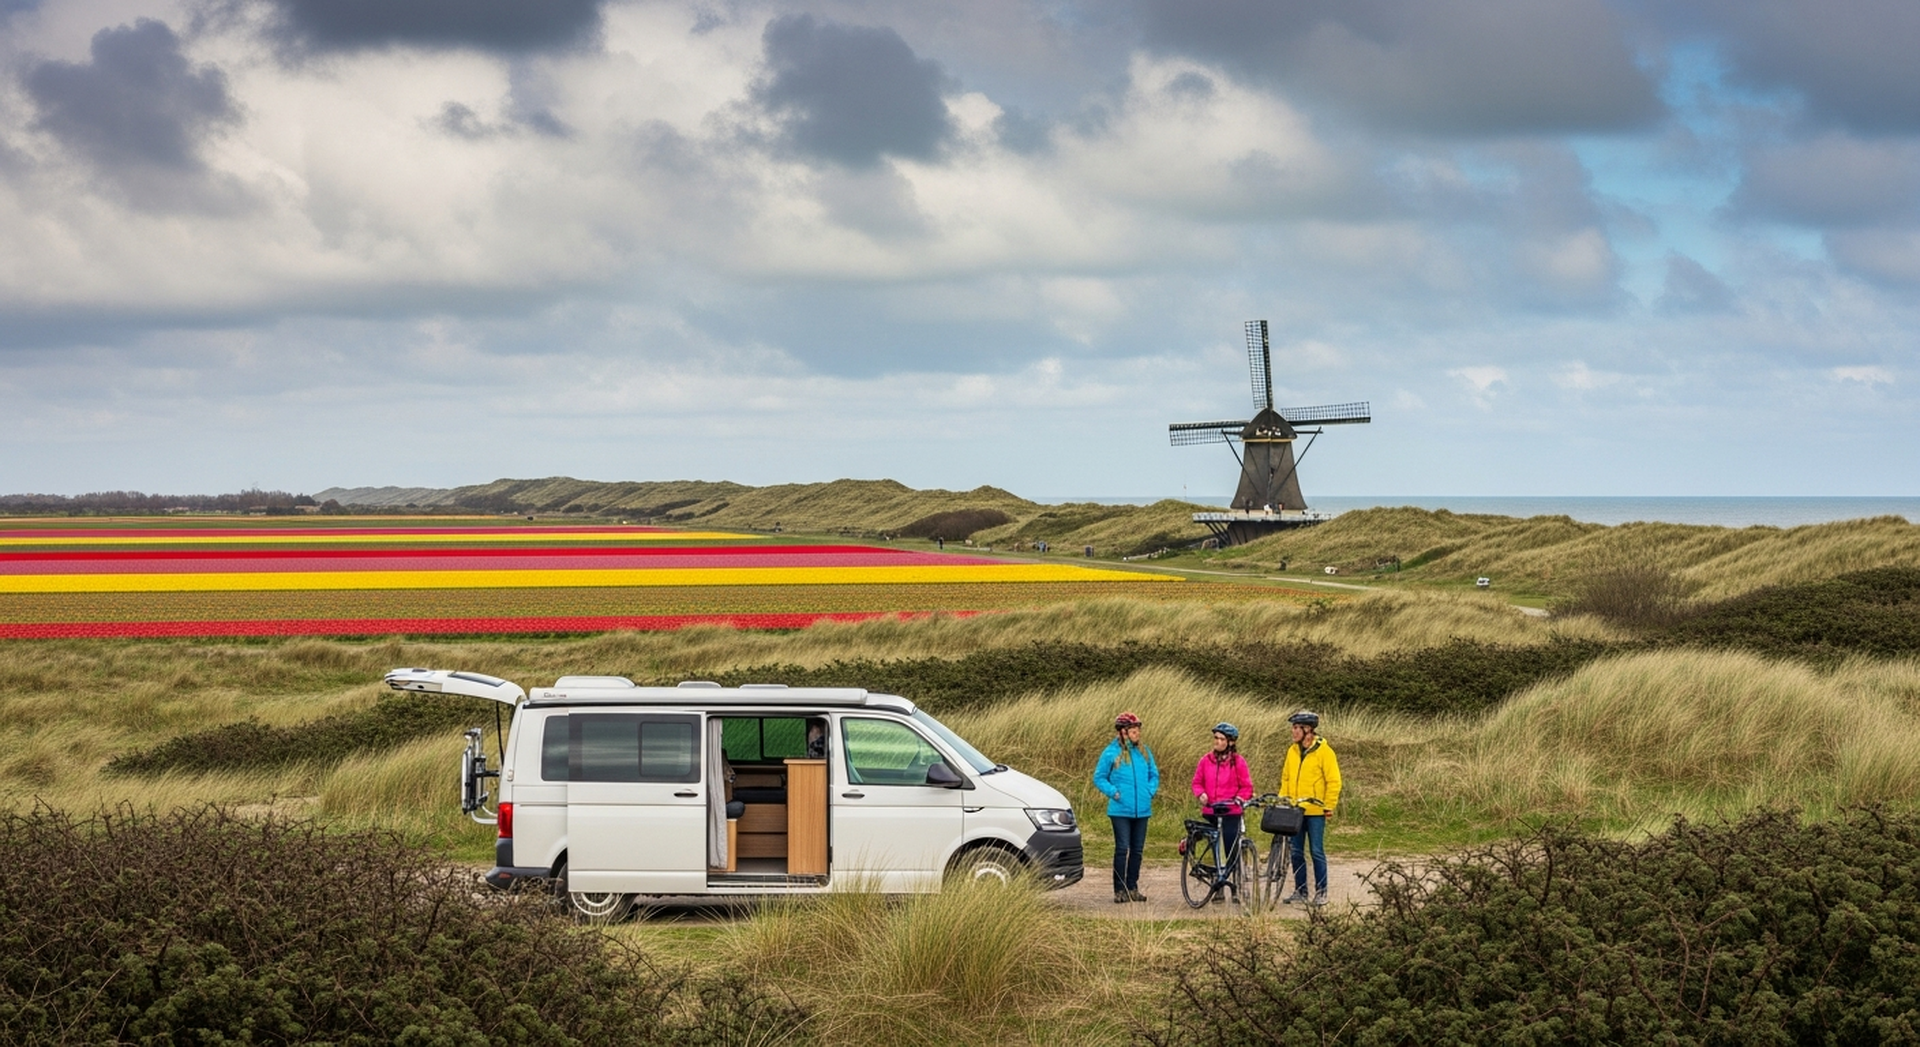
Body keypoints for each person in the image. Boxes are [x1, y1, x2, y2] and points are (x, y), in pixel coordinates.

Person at [1092, 711, 1159, 904]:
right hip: (1120, 809)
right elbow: (1099, 777)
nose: (1137, 733)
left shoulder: (1144, 751)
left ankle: (1132, 887)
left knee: (1137, 850)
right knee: (1122, 848)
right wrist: (1114, 792)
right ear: (1122, 732)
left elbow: (1154, 774)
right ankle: (1119, 889)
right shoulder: (1111, 753)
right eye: (1133, 729)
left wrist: (1150, 790)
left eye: (1138, 729)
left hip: (1142, 809)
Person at [1279, 709, 1343, 906]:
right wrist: (1284, 799)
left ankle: (1321, 891)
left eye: (1297, 727)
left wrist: (1328, 805)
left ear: (1308, 730)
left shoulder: (1325, 752)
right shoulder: (1292, 750)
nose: (1293, 731)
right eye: (1293, 727)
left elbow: (1334, 781)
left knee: (1316, 851)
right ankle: (1301, 890)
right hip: (1295, 811)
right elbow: (1286, 777)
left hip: (1315, 811)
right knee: (1296, 851)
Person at [1191, 722, 1253, 902]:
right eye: (1215, 738)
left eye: (1221, 739)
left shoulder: (1238, 762)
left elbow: (1246, 787)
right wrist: (1201, 794)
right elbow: (1197, 782)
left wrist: (1240, 799)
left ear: (1230, 742)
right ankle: (1217, 885)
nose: (1217, 742)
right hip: (1211, 810)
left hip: (1231, 811)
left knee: (1231, 847)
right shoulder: (1205, 760)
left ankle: (1236, 886)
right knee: (1215, 846)